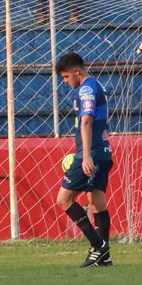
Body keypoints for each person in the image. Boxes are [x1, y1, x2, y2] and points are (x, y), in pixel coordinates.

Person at [53, 52, 113, 268]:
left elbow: (87, 121)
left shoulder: (86, 89)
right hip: (104, 150)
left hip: (93, 153)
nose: (66, 82)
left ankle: (98, 246)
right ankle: (105, 257)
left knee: (64, 199)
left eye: (66, 77)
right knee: (96, 202)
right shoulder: (97, 85)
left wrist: (86, 155)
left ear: (76, 72)